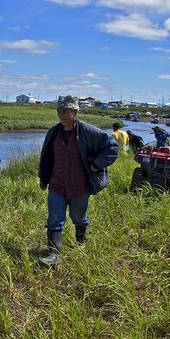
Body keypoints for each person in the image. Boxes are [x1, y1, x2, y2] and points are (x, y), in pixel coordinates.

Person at [37, 95, 118, 266]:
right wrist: (43, 178)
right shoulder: (53, 132)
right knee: (54, 218)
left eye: (66, 111)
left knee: (78, 217)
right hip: (57, 185)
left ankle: (80, 242)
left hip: (80, 187)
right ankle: (54, 254)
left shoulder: (88, 131)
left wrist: (97, 165)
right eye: (59, 110)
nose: (62, 114)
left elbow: (112, 147)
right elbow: (46, 158)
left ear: (76, 112)